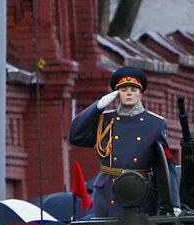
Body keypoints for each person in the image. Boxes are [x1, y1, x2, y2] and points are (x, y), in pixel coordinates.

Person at [68, 67, 175, 217]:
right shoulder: (104, 120)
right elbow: (75, 136)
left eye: (133, 89)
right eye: (124, 90)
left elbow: (166, 166)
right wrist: (97, 107)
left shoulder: (155, 123)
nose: (129, 93)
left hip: (140, 190)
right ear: (117, 94)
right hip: (108, 192)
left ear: (140, 94)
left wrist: (173, 203)